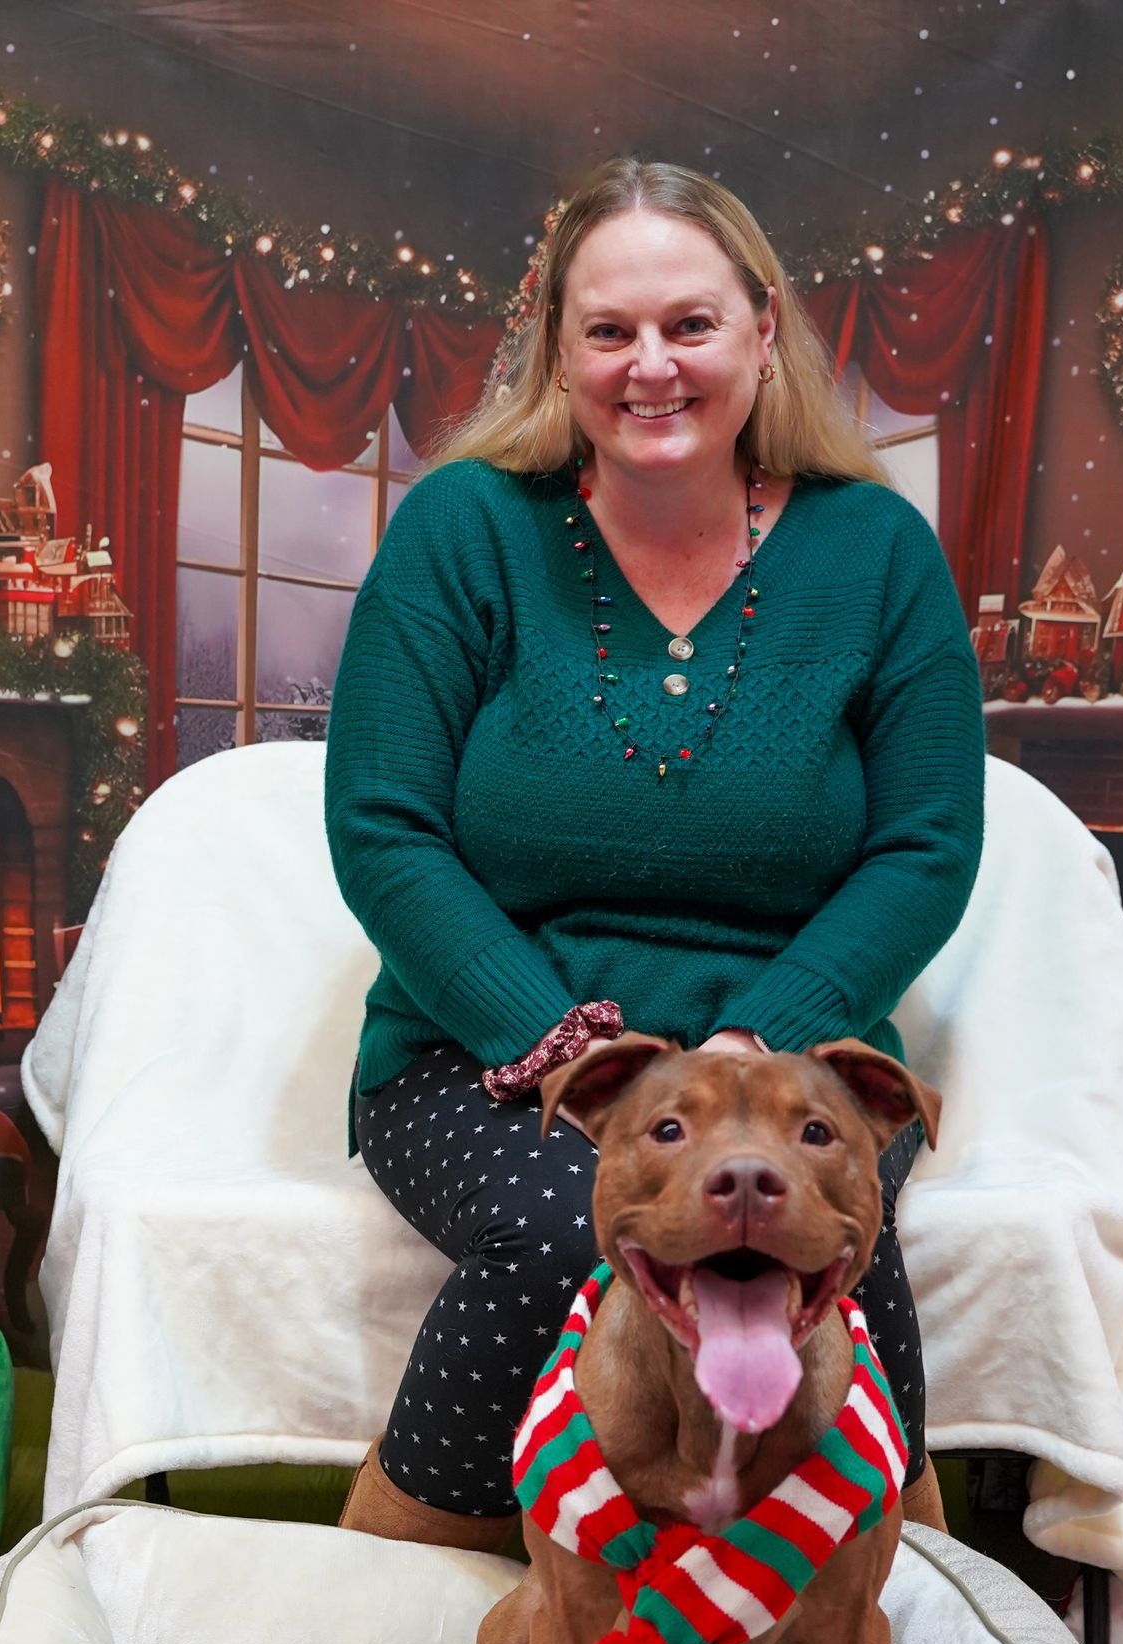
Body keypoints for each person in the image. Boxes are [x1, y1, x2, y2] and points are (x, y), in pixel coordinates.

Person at [324, 156, 984, 1551]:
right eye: (609, 331)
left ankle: (850, 1627)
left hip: (786, 1062)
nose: (651, 366)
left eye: (688, 324)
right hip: (492, 1055)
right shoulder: (465, 530)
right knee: (583, 1237)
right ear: (556, 348)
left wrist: (762, 1045)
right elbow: (384, 830)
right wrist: (559, 1045)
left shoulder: (876, 552)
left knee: (825, 1255)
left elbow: (925, 849)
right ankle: (406, 1595)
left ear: (760, 324)